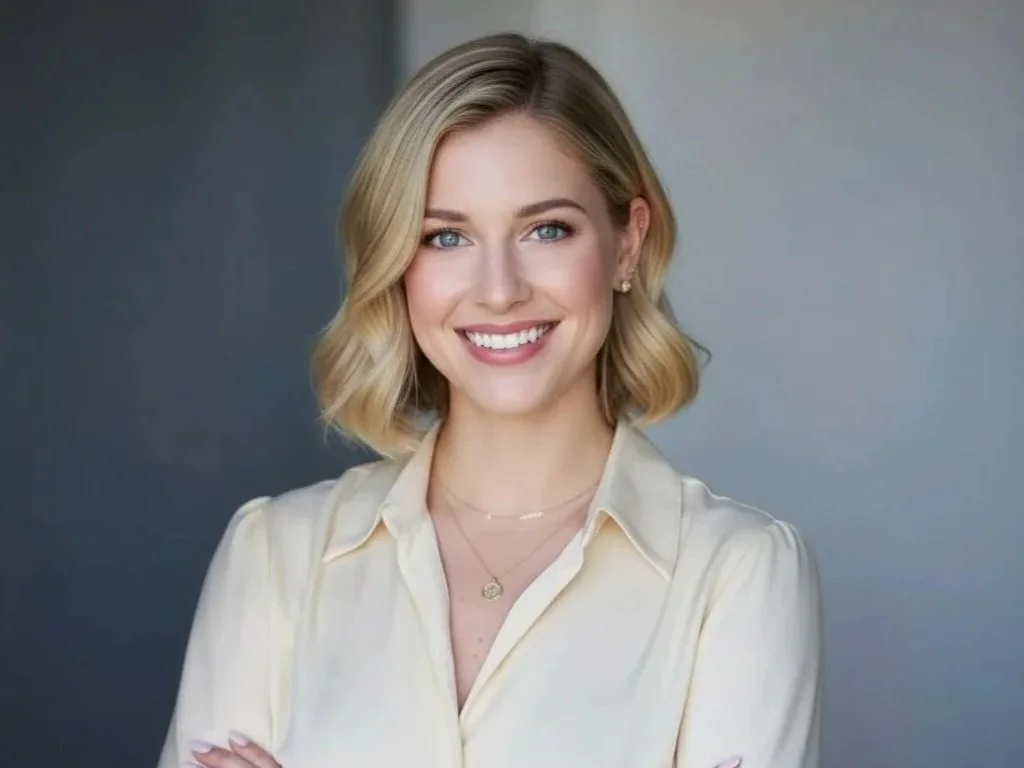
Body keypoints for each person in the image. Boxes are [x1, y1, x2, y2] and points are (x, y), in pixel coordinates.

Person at [158, 32, 822, 768]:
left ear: (627, 243)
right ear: (396, 264)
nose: (500, 290)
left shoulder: (738, 575)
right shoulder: (274, 557)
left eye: (546, 230)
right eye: (446, 238)